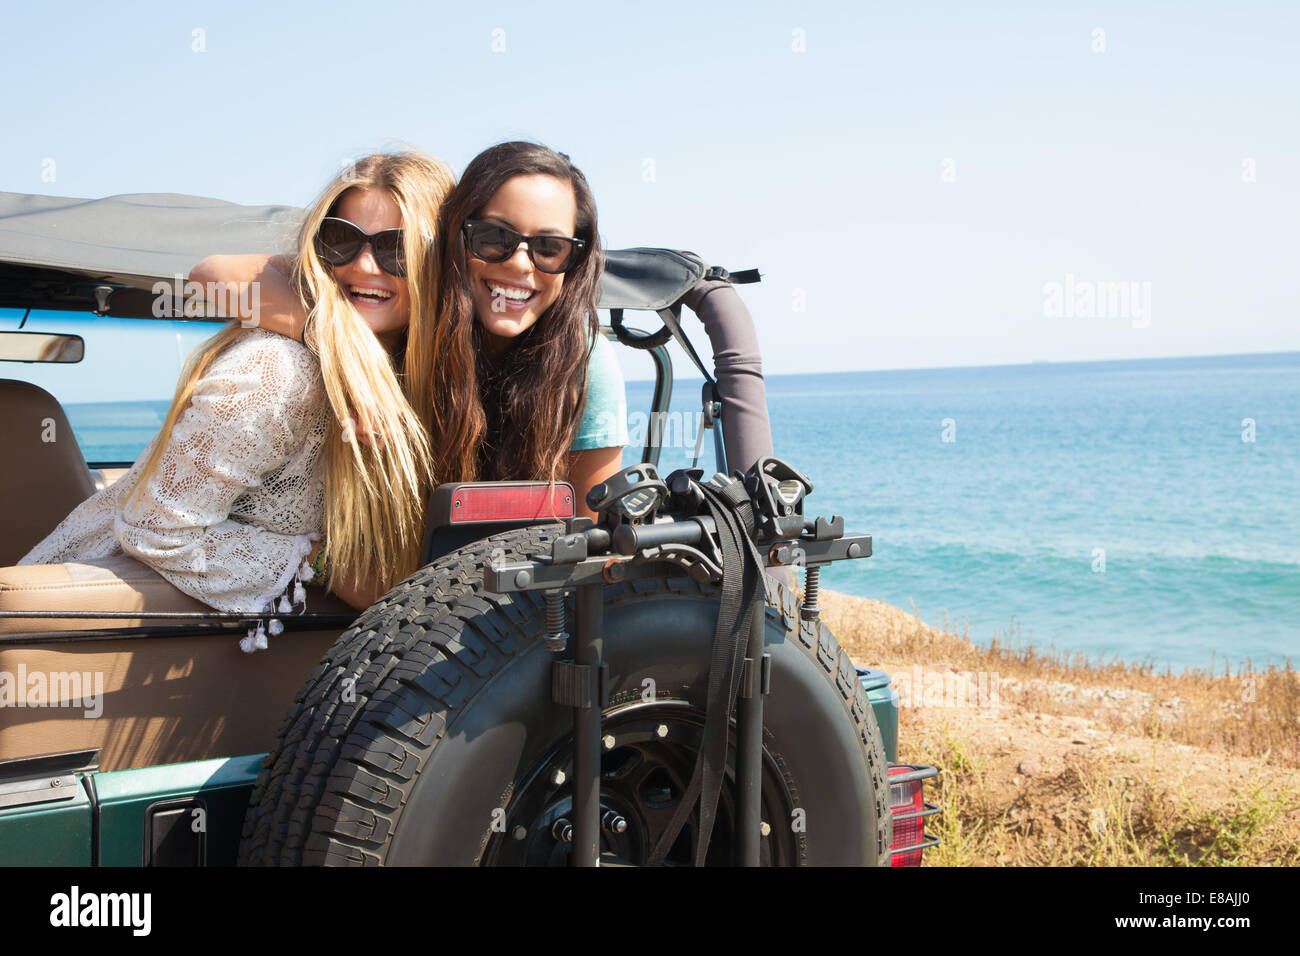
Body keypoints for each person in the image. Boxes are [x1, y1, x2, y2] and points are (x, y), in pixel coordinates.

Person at [20, 151, 454, 637]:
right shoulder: (278, 372)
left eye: (398, 248)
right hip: (71, 637)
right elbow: (156, 531)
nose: (363, 265)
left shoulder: (433, 385)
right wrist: (331, 566)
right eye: (340, 240)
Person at [195, 142, 628, 516]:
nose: (518, 263)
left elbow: (594, 534)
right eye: (494, 237)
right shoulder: (417, 316)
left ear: (575, 261)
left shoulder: (583, 362)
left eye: (549, 248)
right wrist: (353, 358)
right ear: (455, 238)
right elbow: (212, 273)